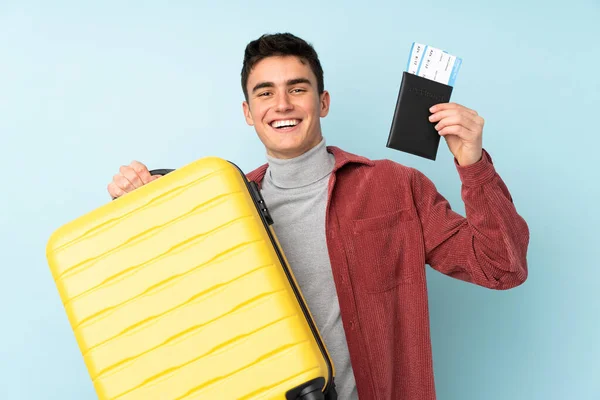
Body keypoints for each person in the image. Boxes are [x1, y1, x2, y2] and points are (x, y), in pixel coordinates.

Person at [107, 33, 529, 400]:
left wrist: (473, 165)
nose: (282, 104)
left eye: (297, 88)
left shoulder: (395, 185)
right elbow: (175, 315)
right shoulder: (222, 209)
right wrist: (141, 211)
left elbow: (501, 267)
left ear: (322, 102)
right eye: (265, 92)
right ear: (247, 112)